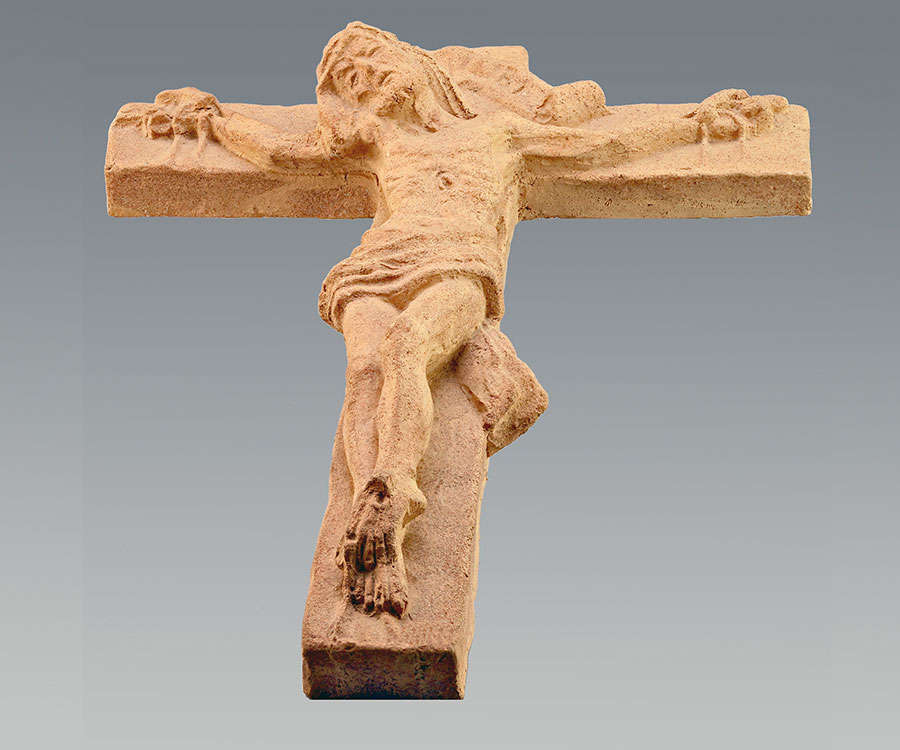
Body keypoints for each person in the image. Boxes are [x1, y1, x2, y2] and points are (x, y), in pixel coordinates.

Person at [140, 22, 787, 617]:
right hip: (375, 265)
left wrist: (694, 125)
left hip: (456, 261)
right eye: (352, 80)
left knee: (406, 348)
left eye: (372, 61)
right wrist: (212, 121)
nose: (367, 80)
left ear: (415, 63)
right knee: (365, 372)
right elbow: (285, 154)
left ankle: (394, 489)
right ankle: (371, 518)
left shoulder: (497, 132)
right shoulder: (376, 139)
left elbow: (600, 145)